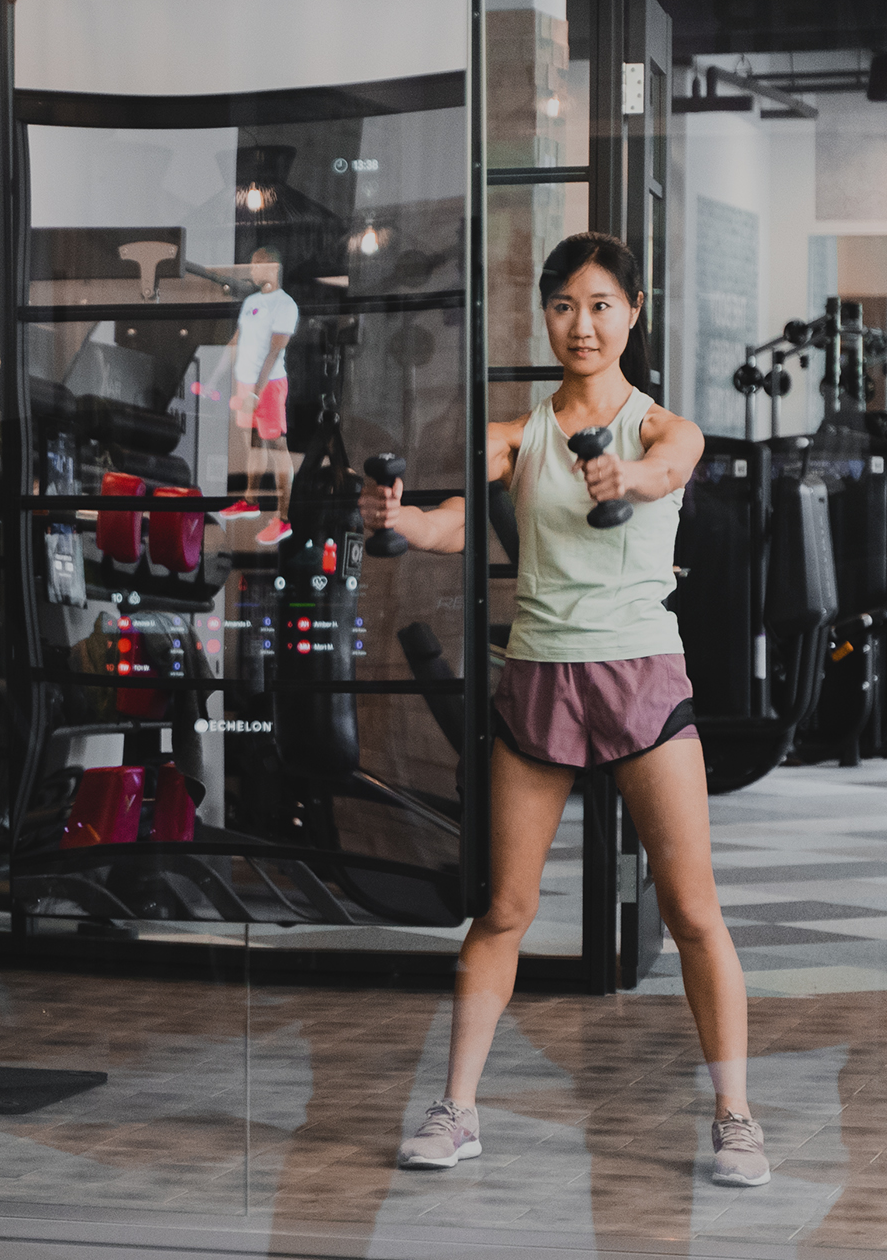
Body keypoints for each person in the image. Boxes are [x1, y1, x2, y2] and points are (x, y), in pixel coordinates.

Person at [361, 232, 767, 1189]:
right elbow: (458, 515)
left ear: (634, 312)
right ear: (544, 317)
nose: (580, 325)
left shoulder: (667, 429)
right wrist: (401, 522)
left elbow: (665, 472)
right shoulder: (521, 433)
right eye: (562, 307)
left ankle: (736, 1115)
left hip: (641, 680)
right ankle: (456, 1109)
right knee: (502, 908)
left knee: (694, 912)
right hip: (540, 676)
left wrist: (624, 476)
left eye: (599, 305)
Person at [215, 246, 299, 546]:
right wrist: (215, 377)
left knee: (277, 447)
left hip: (270, 385)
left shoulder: (286, 305)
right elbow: (237, 341)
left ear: (273, 267)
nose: (251, 271)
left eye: (256, 265)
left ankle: (284, 519)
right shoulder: (250, 302)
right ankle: (250, 500)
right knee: (253, 442)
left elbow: (274, 351)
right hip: (245, 382)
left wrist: (255, 392)